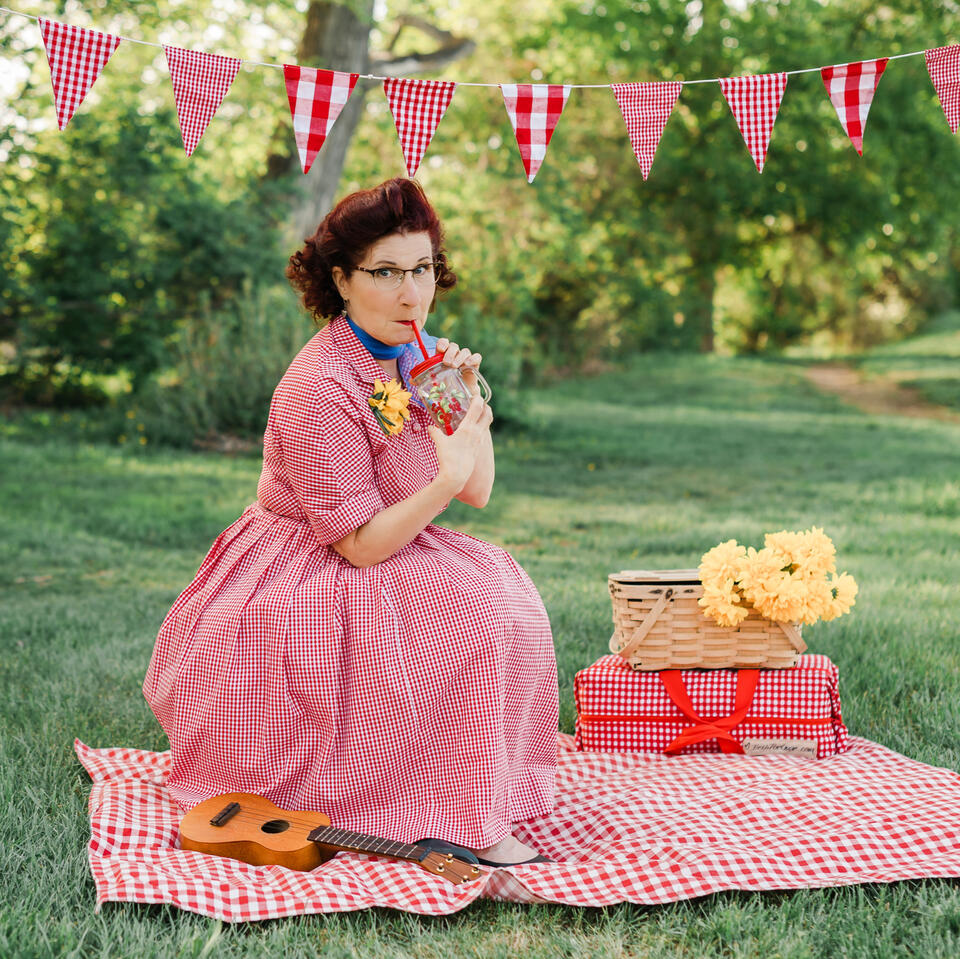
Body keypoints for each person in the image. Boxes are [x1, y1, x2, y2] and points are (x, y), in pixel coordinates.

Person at [143, 177, 559, 867]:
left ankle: (466, 793)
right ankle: (437, 809)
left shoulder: (413, 355)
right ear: (341, 279)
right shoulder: (318, 386)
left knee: (504, 598)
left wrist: (459, 398)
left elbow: (478, 489)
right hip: (306, 563)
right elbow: (359, 545)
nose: (411, 293)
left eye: (422, 268)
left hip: (392, 535)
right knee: (471, 616)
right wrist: (447, 475)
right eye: (386, 272)